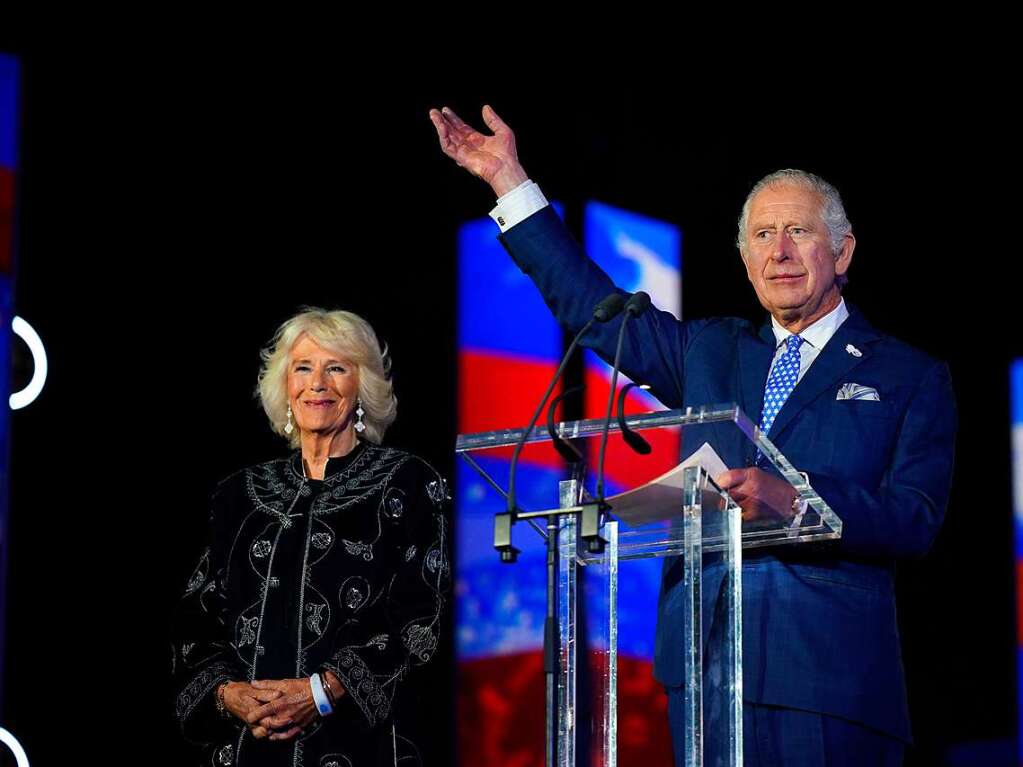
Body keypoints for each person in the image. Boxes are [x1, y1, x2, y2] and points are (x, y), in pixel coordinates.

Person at [430, 105, 956, 766]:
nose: (779, 250)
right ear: (742, 257)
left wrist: (796, 500)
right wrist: (509, 182)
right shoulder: (708, 351)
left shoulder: (907, 374)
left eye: (797, 230)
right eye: (761, 234)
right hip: (705, 671)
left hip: (829, 680)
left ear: (842, 250)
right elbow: (590, 305)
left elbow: (915, 517)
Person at [171, 308, 451, 767]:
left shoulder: (408, 483)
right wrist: (229, 694)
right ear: (285, 386)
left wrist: (320, 691)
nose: (317, 383)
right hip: (244, 749)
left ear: (362, 387)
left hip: (360, 748)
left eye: (336, 368)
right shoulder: (237, 496)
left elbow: (421, 620)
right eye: (303, 367)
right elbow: (195, 621)